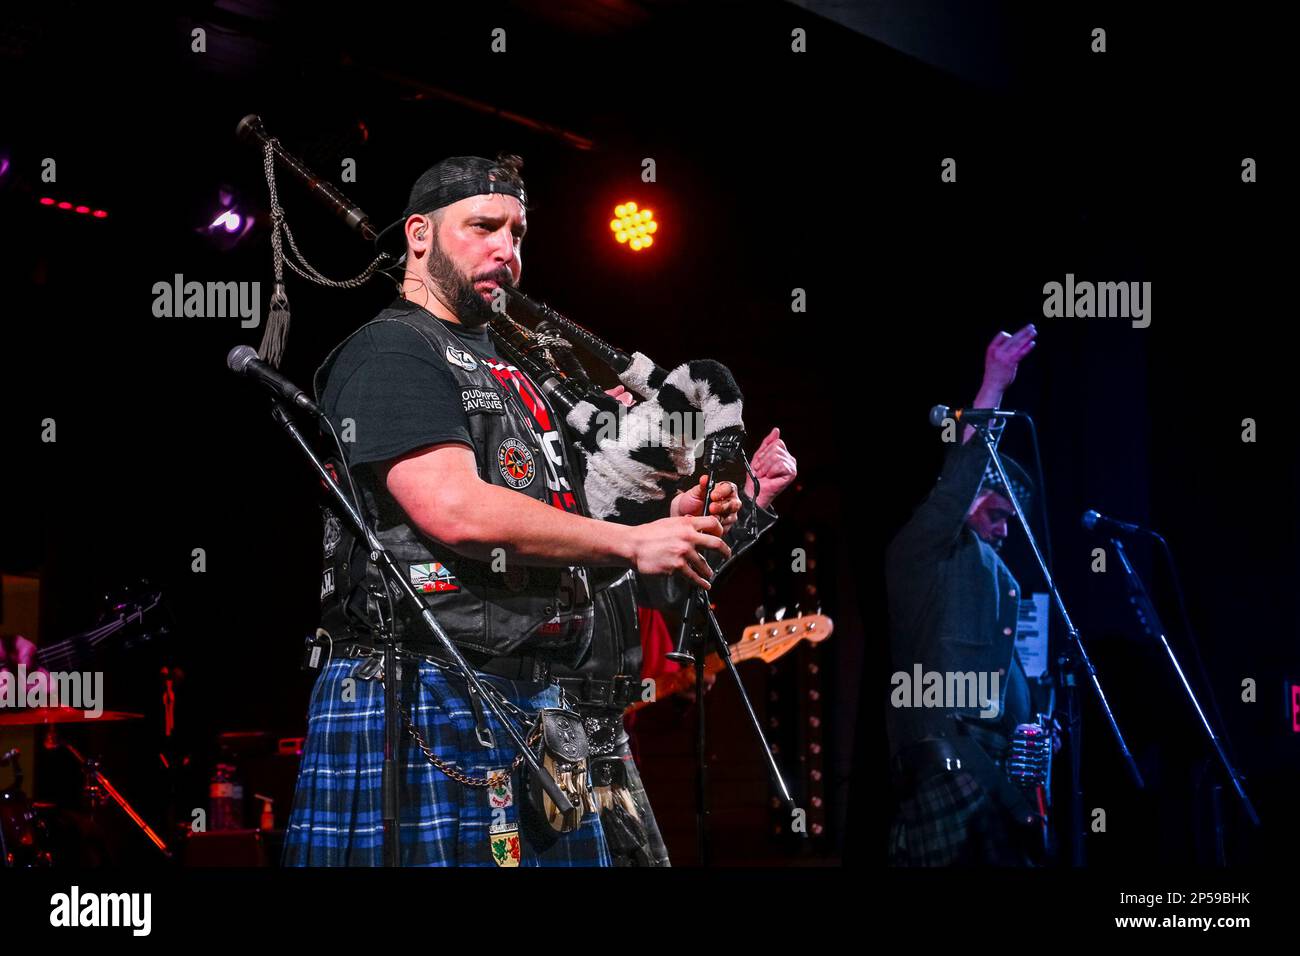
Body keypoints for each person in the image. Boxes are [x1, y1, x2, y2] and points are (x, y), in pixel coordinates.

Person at [282, 154, 730, 867]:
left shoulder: (519, 371)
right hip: (422, 689)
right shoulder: (392, 351)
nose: (506, 250)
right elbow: (454, 507)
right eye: (484, 227)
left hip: (538, 705)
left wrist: (667, 518)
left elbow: (562, 520)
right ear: (420, 235)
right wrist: (632, 545)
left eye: (518, 233)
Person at [885, 324, 1046, 866]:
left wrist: (1034, 727)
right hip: (948, 762)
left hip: (995, 769)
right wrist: (993, 388)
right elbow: (956, 485)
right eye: (997, 514)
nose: (1005, 529)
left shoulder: (1000, 576)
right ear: (975, 500)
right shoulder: (924, 550)